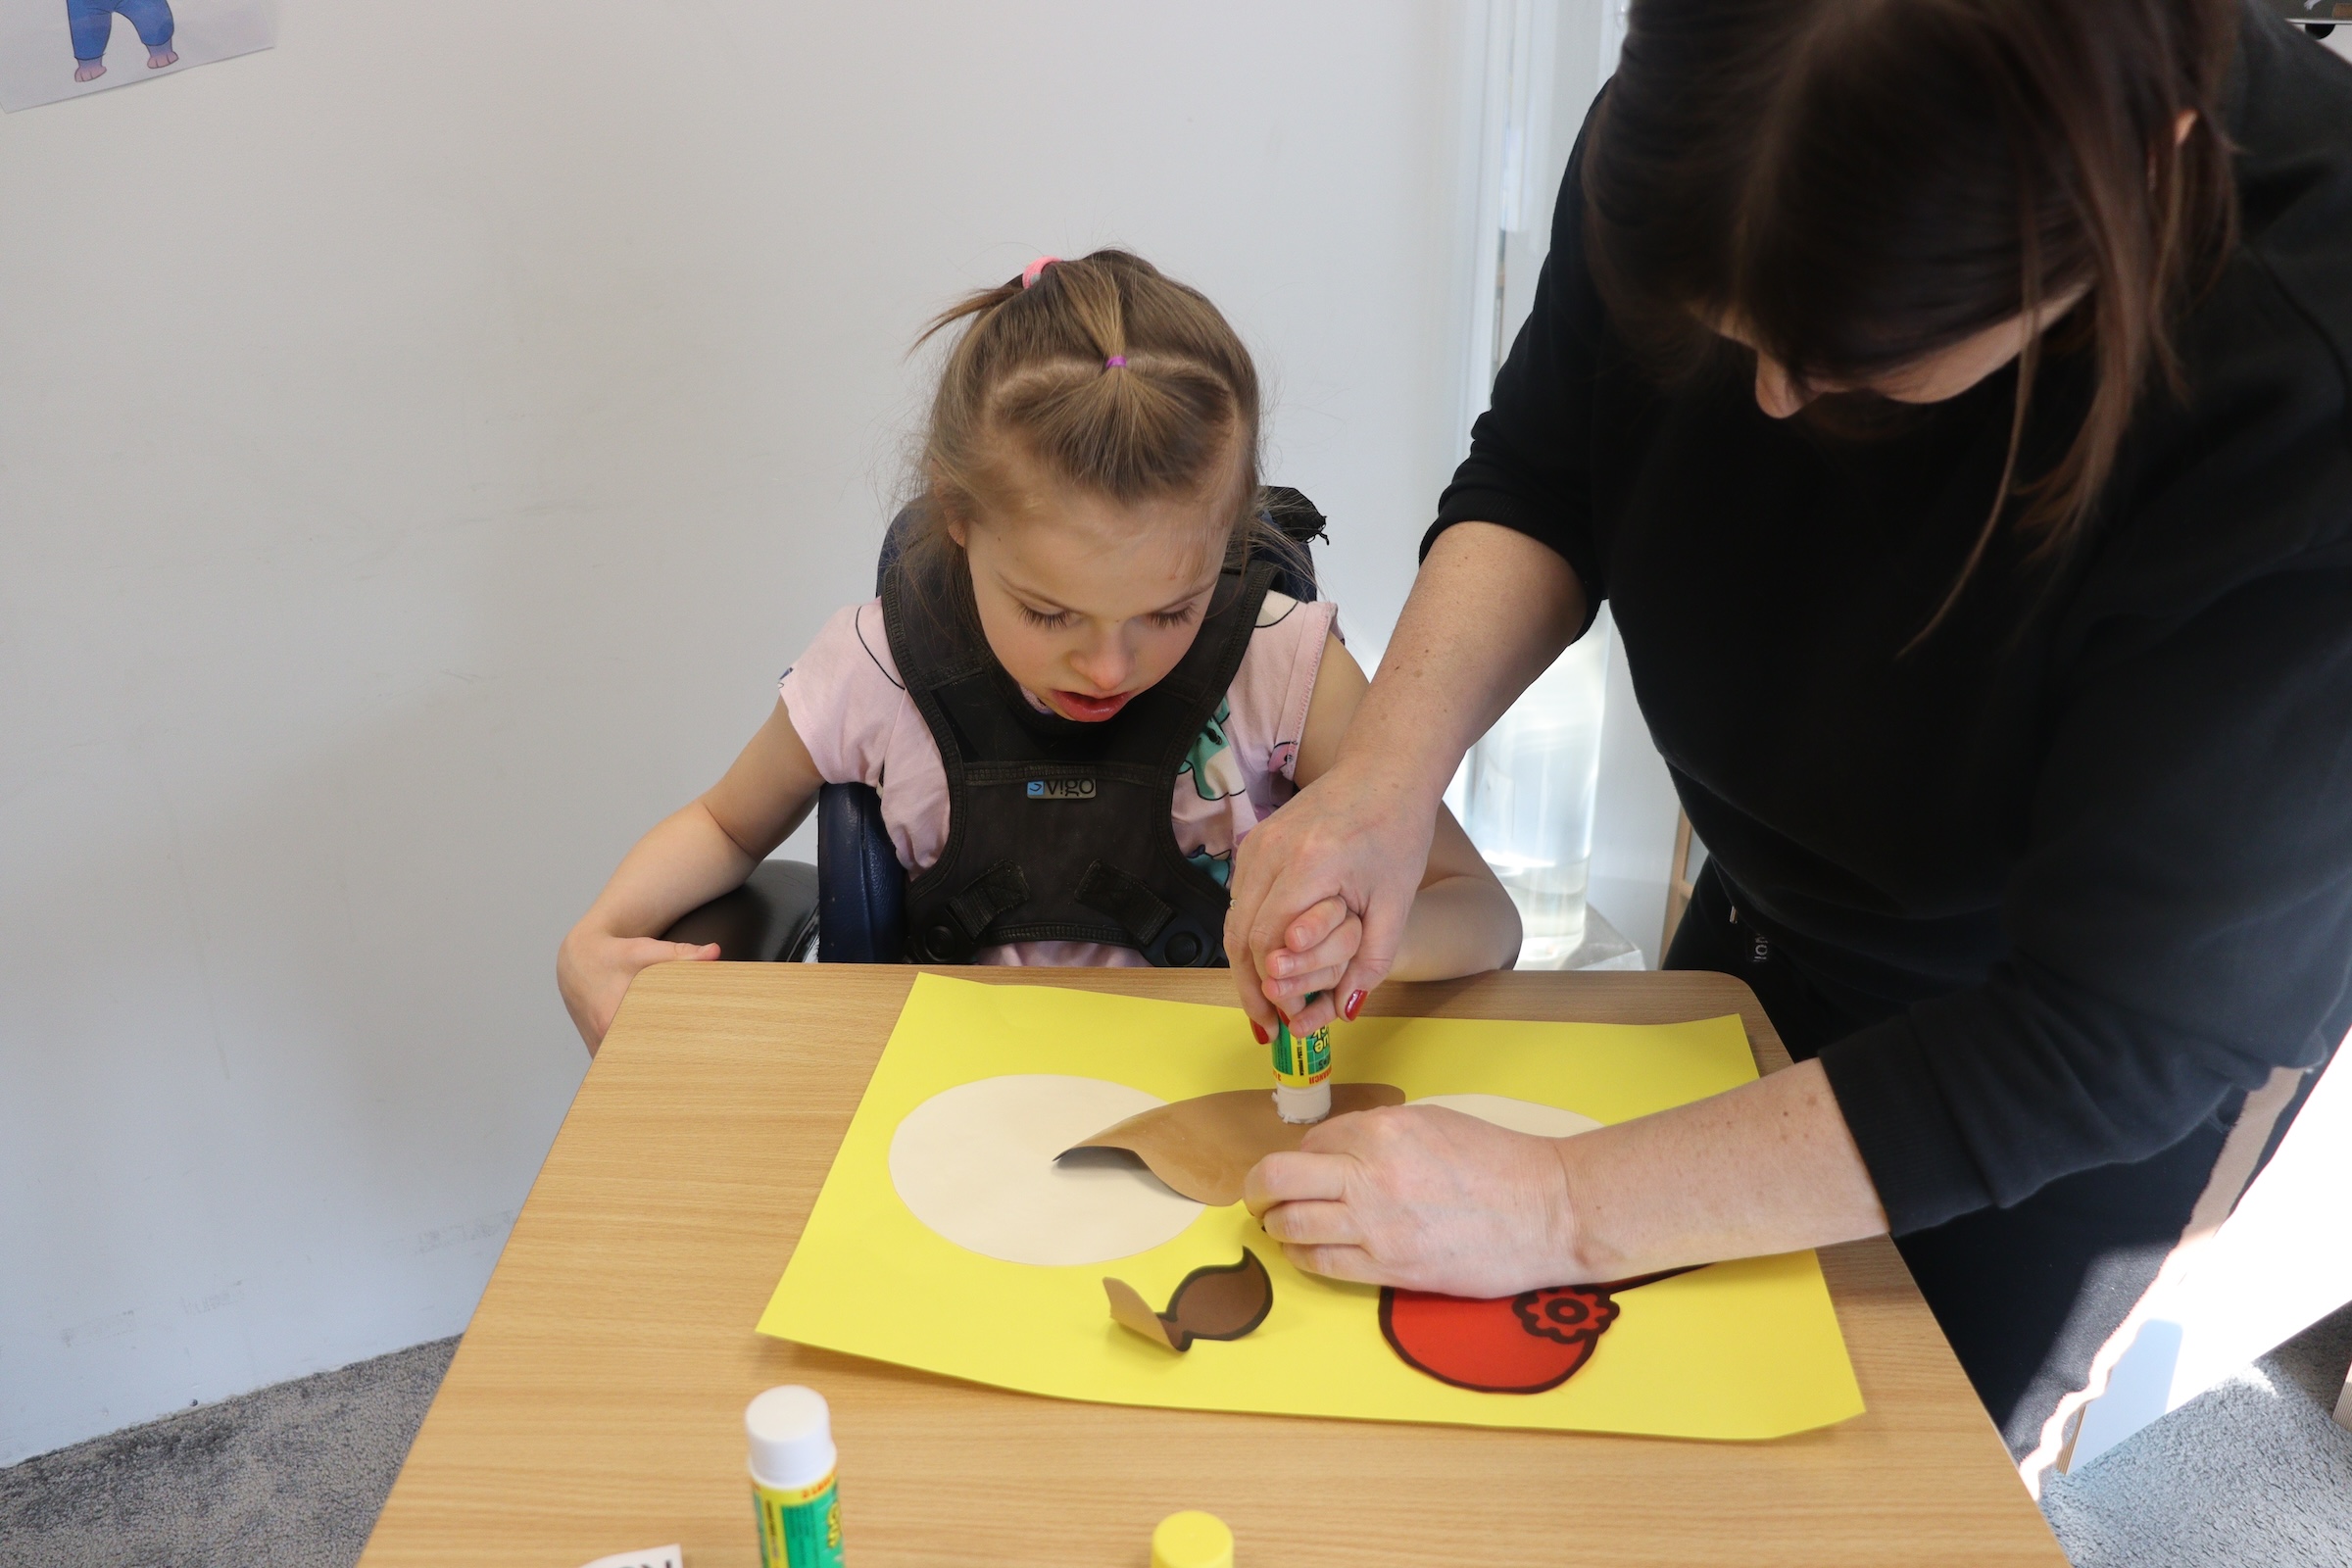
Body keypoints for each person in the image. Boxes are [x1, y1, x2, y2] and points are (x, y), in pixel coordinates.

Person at [1227, 0, 2352, 1485]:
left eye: (1848, 363)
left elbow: (2108, 1040)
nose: (1767, 400)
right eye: (1725, 332)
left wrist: (1563, 1208)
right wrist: (1383, 778)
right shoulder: (1722, 98)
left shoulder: (2306, 379)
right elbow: (1549, 473)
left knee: (1877, 1481)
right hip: (1775, 922)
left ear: (2136, 177)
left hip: (2056, 1059)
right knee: (1649, 1421)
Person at [559, 250, 1520, 1052]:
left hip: (1219, 1104)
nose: (1109, 668)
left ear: (1228, 539)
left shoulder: (1284, 669)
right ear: (960, 516)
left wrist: (1358, 943)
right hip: (951, 1118)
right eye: (1051, 615)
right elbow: (725, 827)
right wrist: (594, 940)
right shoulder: (874, 670)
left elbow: (1483, 911)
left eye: (1169, 612)